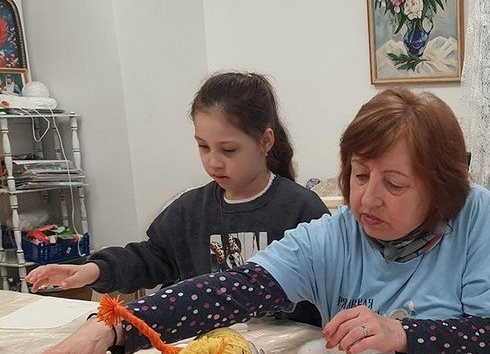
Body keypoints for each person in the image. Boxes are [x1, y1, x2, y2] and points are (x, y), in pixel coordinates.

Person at [5, 88, 490, 354]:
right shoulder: (335, 234)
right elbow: (229, 291)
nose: (367, 199)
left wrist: (399, 333)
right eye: (360, 174)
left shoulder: (472, 213)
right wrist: (113, 326)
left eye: (394, 184)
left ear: (439, 189)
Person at [24, 72, 329, 315]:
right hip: (209, 350)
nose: (213, 161)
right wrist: (95, 269)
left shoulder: (301, 209)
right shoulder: (190, 210)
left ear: (265, 141)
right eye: (203, 146)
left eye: (228, 149)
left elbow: (332, 286)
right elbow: (150, 258)